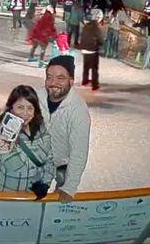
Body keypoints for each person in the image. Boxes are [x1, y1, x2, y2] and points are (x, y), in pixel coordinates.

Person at [0, 85, 54, 198]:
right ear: (11, 108)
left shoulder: (42, 131)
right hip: (2, 195)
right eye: (20, 107)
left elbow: (50, 160)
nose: (25, 113)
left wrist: (44, 184)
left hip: (30, 197)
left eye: (30, 108)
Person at [35, 55, 91, 202]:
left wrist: (69, 187)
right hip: (37, 160)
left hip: (62, 164)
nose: (53, 83)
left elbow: (79, 152)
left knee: (58, 201)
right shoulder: (35, 96)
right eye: (49, 77)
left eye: (60, 78)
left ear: (71, 81)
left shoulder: (78, 110)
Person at [79, 9, 105, 92]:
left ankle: (85, 81)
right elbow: (100, 40)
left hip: (84, 49)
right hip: (92, 50)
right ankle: (95, 85)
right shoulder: (96, 27)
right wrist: (100, 44)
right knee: (94, 68)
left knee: (86, 67)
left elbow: (82, 36)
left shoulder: (86, 25)